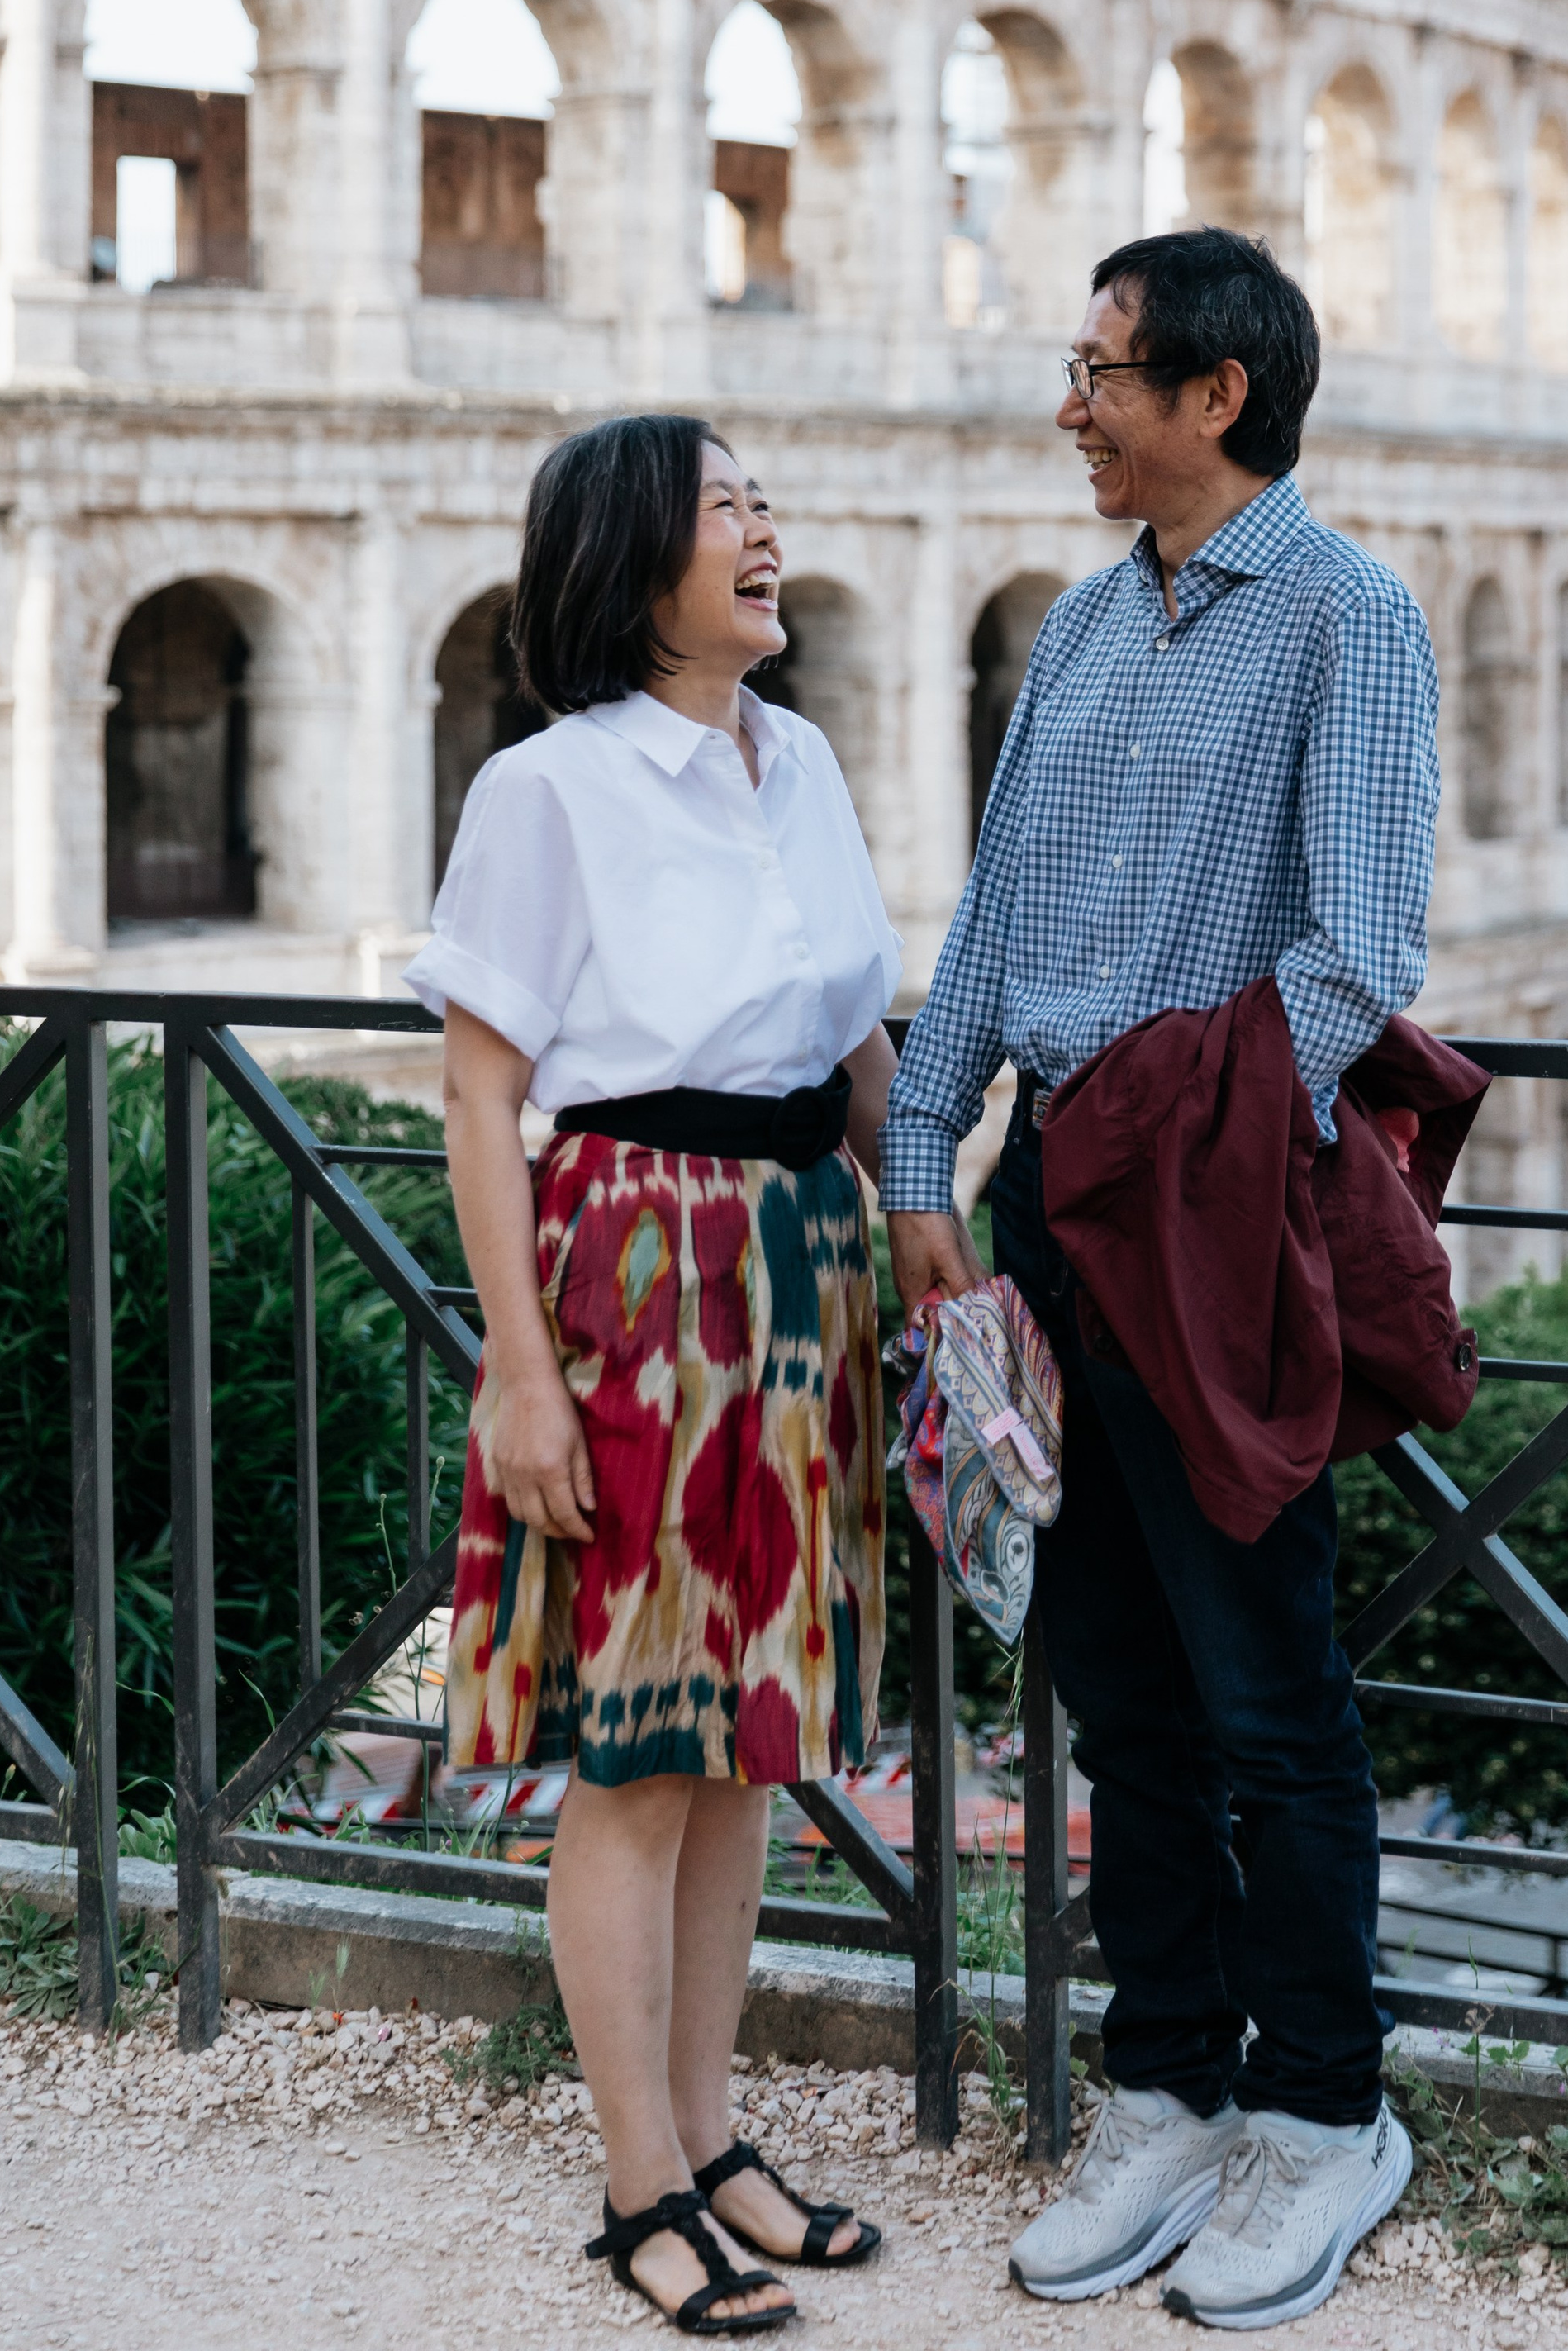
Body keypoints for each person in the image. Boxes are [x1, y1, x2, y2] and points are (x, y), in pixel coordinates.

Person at [881, 230, 1440, 2332]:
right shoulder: (1082, 632)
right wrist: (919, 1146)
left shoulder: (1346, 618)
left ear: (1217, 395)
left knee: (1266, 1695)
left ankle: (1322, 2117)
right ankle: (1170, 2086)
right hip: (1046, 1221)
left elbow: (1361, 946)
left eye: (1102, 369)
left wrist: (1181, 1140)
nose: (1070, 401)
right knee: (1112, 1677)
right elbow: (994, 914)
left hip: (1210, 1219)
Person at [408, 412, 901, 2334]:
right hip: (631, 1257)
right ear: (636, 563)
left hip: (802, 1264)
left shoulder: (810, 765)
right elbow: (476, 1091)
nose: (765, 530)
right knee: (635, 1750)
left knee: (743, 1740)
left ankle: (711, 2138)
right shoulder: (546, 790)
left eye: (765, 500)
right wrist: (514, 1378)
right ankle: (637, 2187)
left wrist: (929, 1232)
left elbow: (854, 1038)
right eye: (726, 510)